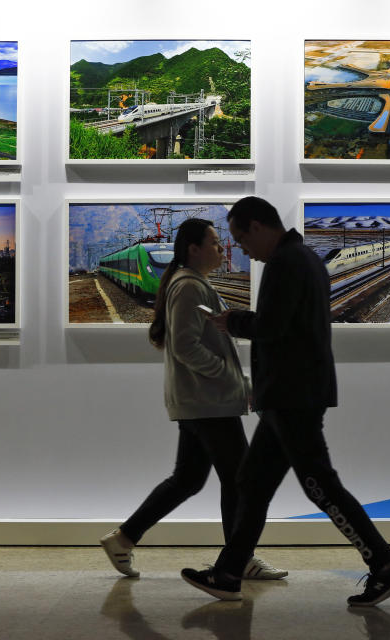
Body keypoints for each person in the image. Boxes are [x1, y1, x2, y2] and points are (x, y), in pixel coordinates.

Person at [181, 197, 390, 606]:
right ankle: (229, 572)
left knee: (320, 485)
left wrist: (231, 321)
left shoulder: (287, 264)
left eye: (240, 239)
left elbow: (272, 326)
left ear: (257, 227)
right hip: (287, 395)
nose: (242, 249)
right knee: (251, 485)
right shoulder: (302, 258)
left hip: (294, 395)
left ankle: (385, 567)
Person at [100, 217, 286, 582]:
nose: (221, 248)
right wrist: (232, 376)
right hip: (208, 401)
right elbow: (185, 345)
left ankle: (123, 539)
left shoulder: (193, 283)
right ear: (193, 248)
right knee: (240, 481)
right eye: (215, 242)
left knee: (188, 479)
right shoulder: (188, 287)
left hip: (202, 400)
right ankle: (240, 558)